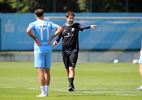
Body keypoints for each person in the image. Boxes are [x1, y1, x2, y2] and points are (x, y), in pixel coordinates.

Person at [53, 11, 97, 91]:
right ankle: (71, 85)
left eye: (72, 18)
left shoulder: (76, 25)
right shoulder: (62, 27)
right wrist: (56, 41)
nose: (71, 20)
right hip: (64, 51)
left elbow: (83, 26)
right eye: (70, 18)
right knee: (67, 69)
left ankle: (70, 86)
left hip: (74, 50)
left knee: (71, 68)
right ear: (66, 18)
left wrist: (90, 26)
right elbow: (58, 37)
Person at [26, 9, 63, 97]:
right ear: (43, 15)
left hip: (39, 49)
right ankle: (46, 91)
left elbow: (28, 31)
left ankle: (43, 92)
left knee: (40, 72)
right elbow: (60, 28)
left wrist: (35, 39)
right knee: (47, 71)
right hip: (48, 48)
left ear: (35, 16)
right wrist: (52, 37)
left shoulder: (33, 24)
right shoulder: (49, 23)